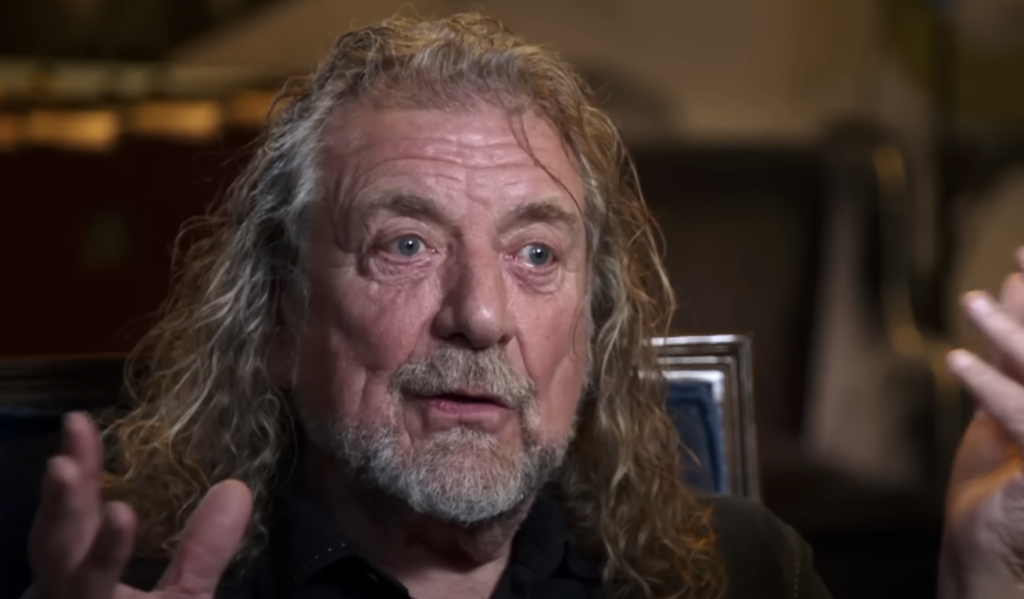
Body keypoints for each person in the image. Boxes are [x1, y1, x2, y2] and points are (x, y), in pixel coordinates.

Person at [19, 12, 1024, 599]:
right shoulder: (148, 579)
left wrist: (982, 582)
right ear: (279, 321)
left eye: (536, 252)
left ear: (592, 332)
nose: (482, 315)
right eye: (405, 244)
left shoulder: (741, 571)